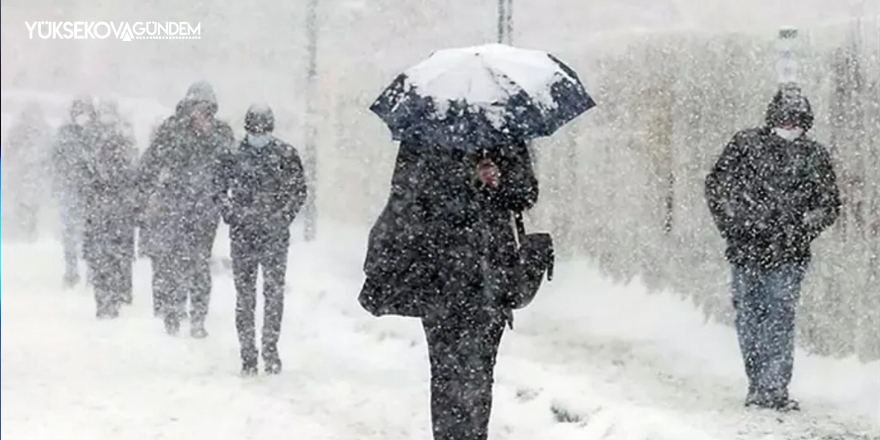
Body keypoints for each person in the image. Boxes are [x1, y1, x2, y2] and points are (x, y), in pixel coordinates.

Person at [359, 141, 538, 440]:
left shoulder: (504, 136)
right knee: (446, 374)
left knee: (480, 375)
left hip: (490, 279)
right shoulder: (423, 138)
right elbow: (405, 197)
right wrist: (456, 188)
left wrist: (499, 180)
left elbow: (526, 194)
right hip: (438, 278)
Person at [705, 83, 841, 412]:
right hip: (746, 250)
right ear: (772, 117)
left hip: (788, 254)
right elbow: (717, 187)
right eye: (785, 118)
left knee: (779, 316)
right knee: (750, 318)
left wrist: (799, 229)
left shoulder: (814, 156)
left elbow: (828, 205)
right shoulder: (745, 145)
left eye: (798, 121)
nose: (791, 126)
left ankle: (774, 388)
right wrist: (738, 224)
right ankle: (758, 384)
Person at [136, 81, 234, 337]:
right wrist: (144, 197)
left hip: (205, 209)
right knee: (174, 262)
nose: (199, 111)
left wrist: (209, 134)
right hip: (174, 206)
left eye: (205, 107)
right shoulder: (172, 129)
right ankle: (173, 313)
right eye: (195, 105)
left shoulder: (221, 132)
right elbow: (150, 163)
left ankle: (198, 318)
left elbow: (231, 163)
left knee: (200, 263)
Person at [215, 103, 307, 375]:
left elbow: (298, 191)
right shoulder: (232, 155)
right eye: (255, 129)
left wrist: (282, 217)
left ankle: (270, 348)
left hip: (274, 236)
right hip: (243, 235)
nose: (259, 134)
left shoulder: (285, 155)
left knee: (273, 294)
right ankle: (248, 353)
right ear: (247, 129)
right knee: (245, 296)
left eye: (263, 129)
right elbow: (218, 189)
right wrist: (232, 213)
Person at [81, 98, 137, 318]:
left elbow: (132, 183)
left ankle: (111, 299)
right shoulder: (97, 161)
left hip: (114, 218)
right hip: (103, 217)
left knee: (113, 261)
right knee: (104, 260)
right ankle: (105, 300)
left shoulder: (124, 158)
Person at [52, 97, 98, 288]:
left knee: (91, 233)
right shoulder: (65, 134)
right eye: (79, 112)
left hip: (90, 191)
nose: (82, 116)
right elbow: (55, 158)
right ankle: (72, 271)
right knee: (70, 233)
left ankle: (91, 272)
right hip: (70, 188)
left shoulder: (96, 133)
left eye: (85, 112)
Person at [1, 102, 52, 242]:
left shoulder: (44, 131)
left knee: (32, 204)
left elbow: (49, 154)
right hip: (22, 175)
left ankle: (30, 230)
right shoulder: (17, 131)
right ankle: (23, 230)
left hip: (33, 175)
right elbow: (8, 152)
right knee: (22, 203)